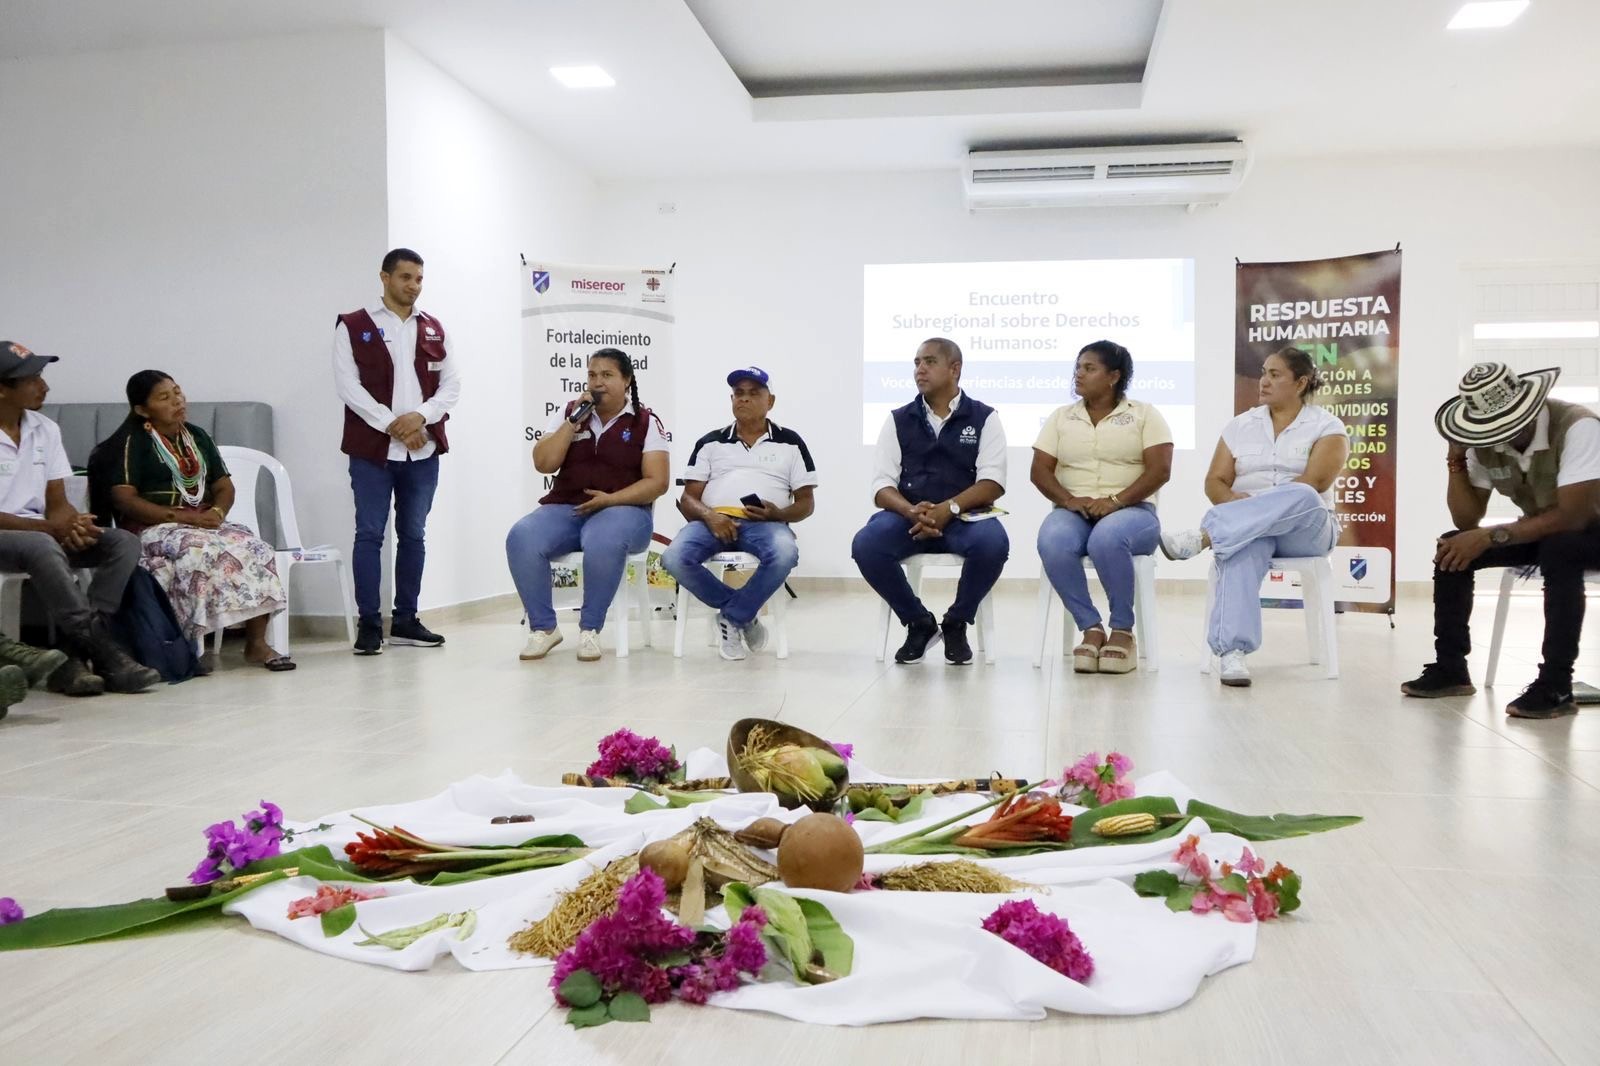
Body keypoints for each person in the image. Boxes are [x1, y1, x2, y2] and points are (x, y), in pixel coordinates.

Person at [1401, 363, 1600, 719]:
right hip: (1547, 531)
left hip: (1589, 531)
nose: (1499, 434)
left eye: (1506, 424)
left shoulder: (1578, 426)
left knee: (1562, 548)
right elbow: (1466, 519)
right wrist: (1456, 457)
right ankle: (1451, 668)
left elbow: (1574, 517)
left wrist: (1493, 535)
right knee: (1453, 544)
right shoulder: (1484, 441)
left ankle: (1556, 685)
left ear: (1530, 406)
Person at [1159, 347, 1347, 687]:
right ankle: (1233, 654)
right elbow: (1215, 482)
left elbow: (1316, 483)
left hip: (1307, 530)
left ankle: (1204, 536)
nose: (1263, 381)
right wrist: (1233, 501)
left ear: (1301, 382)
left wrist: (1245, 509)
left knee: (1302, 494)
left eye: (1275, 375)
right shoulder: (1240, 425)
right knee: (1242, 546)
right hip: (1251, 531)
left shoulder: (1327, 426)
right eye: (1263, 372)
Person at [89, 371, 292, 671]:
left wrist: (217, 513)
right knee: (197, 551)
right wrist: (179, 517)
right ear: (142, 410)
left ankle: (256, 643)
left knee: (256, 548)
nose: (177, 401)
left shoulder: (196, 436)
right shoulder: (131, 442)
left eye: (177, 392)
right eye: (164, 397)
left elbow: (224, 486)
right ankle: (188, 647)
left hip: (202, 522)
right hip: (152, 527)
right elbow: (125, 499)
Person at [0, 341, 159, 695]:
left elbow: (56, 499)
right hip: (12, 536)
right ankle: (105, 652)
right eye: (31, 379)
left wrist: (73, 524)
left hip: (39, 536)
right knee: (42, 544)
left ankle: (73, 655)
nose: (44, 386)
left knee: (122, 542)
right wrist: (48, 528)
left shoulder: (44, 429)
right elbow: (42, 525)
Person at [333, 247, 461, 655]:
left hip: (422, 451)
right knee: (369, 534)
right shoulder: (354, 325)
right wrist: (393, 423)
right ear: (385, 278)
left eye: (419, 278)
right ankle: (369, 623)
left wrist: (420, 418)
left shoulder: (434, 328)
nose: (414, 286)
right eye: (406, 277)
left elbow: (451, 386)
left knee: (414, 535)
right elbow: (347, 386)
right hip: (373, 451)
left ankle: (406, 618)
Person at [852, 337, 1008, 665]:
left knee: (993, 543)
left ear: (955, 369)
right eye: (916, 362)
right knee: (867, 544)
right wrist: (911, 511)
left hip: (964, 517)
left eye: (929, 361)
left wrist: (948, 509)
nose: (919, 369)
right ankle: (918, 622)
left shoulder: (984, 417)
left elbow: (992, 482)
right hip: (909, 517)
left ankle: (956, 622)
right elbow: (881, 485)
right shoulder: (898, 419)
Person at [507, 348, 670, 662]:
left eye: (607, 375)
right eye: (592, 375)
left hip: (625, 511)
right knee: (522, 536)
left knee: (602, 538)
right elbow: (544, 463)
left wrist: (611, 500)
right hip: (567, 508)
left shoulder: (645, 421)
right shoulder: (571, 412)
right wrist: (572, 423)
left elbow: (657, 482)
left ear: (627, 381)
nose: (598, 383)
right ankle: (544, 629)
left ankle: (590, 630)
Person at [1032, 340, 1173, 674]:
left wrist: (1115, 502)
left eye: (1089, 368)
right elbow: (1039, 471)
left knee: (1106, 540)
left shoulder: (1144, 414)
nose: (1078, 374)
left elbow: (1160, 470)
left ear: (1113, 376)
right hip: (1075, 510)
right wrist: (1068, 500)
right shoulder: (1061, 418)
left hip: (1134, 512)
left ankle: (1123, 631)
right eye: (1078, 367)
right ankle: (1091, 628)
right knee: (1052, 541)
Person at [664, 367, 817, 660]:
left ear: (770, 401)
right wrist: (710, 516)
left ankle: (732, 617)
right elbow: (688, 499)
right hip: (713, 521)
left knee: (785, 552)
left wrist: (777, 513)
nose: (744, 399)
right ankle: (743, 615)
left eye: (753, 394)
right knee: (674, 558)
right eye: (738, 394)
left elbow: (806, 503)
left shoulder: (791, 442)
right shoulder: (710, 442)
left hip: (765, 524)